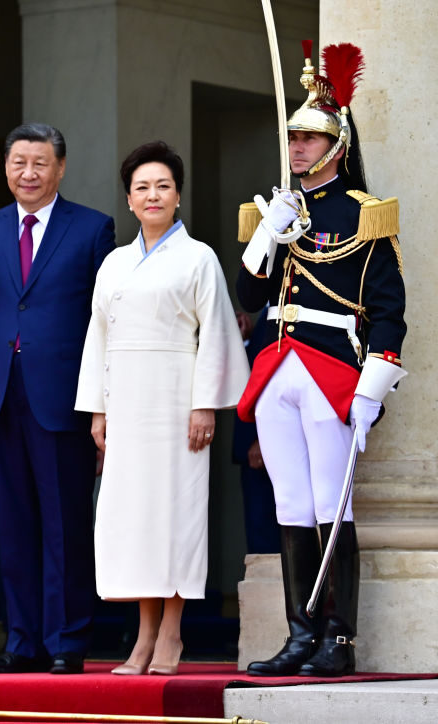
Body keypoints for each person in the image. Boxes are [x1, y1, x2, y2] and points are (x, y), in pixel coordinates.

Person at [237, 42, 406, 677]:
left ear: (336, 145)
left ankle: (340, 637)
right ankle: (299, 633)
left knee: (334, 508)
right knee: (290, 504)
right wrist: (268, 233)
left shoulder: (364, 215)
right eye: (294, 138)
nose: (298, 147)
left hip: (333, 368)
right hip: (278, 366)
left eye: (310, 138)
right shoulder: (276, 211)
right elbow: (250, 295)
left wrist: (375, 384)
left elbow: (388, 309)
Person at [0, 123, 116, 675]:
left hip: (63, 396)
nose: (29, 173)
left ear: (60, 168)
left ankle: (67, 640)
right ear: (6, 167)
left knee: (64, 524)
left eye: (40, 163)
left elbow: (106, 321)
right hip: (0, 396)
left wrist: (103, 405)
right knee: (12, 526)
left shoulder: (92, 228)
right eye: (19, 163)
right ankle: (22, 641)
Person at [75, 141, 248, 676]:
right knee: (136, 518)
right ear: (129, 200)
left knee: (176, 514)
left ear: (178, 196)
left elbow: (217, 334)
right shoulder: (114, 262)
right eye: (142, 187)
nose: (153, 195)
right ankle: (143, 635)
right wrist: (98, 410)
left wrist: (205, 406)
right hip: (126, 404)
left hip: (177, 404)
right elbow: (97, 337)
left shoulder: (199, 258)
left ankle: (170, 633)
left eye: (163, 186)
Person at [232, 308, 281, 555]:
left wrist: (263, 438)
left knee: (269, 536)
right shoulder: (267, 308)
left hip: (266, 443)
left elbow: (279, 375)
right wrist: (246, 340)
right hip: (253, 444)